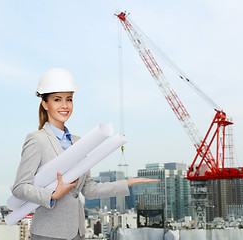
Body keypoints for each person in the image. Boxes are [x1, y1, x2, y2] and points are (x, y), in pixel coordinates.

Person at [12, 68, 160, 240]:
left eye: (69, 99)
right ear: (45, 103)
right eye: (57, 99)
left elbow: (89, 189)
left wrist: (127, 183)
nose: (65, 105)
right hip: (48, 234)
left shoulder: (79, 142)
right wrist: (52, 195)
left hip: (77, 233)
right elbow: (19, 187)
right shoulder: (37, 140)